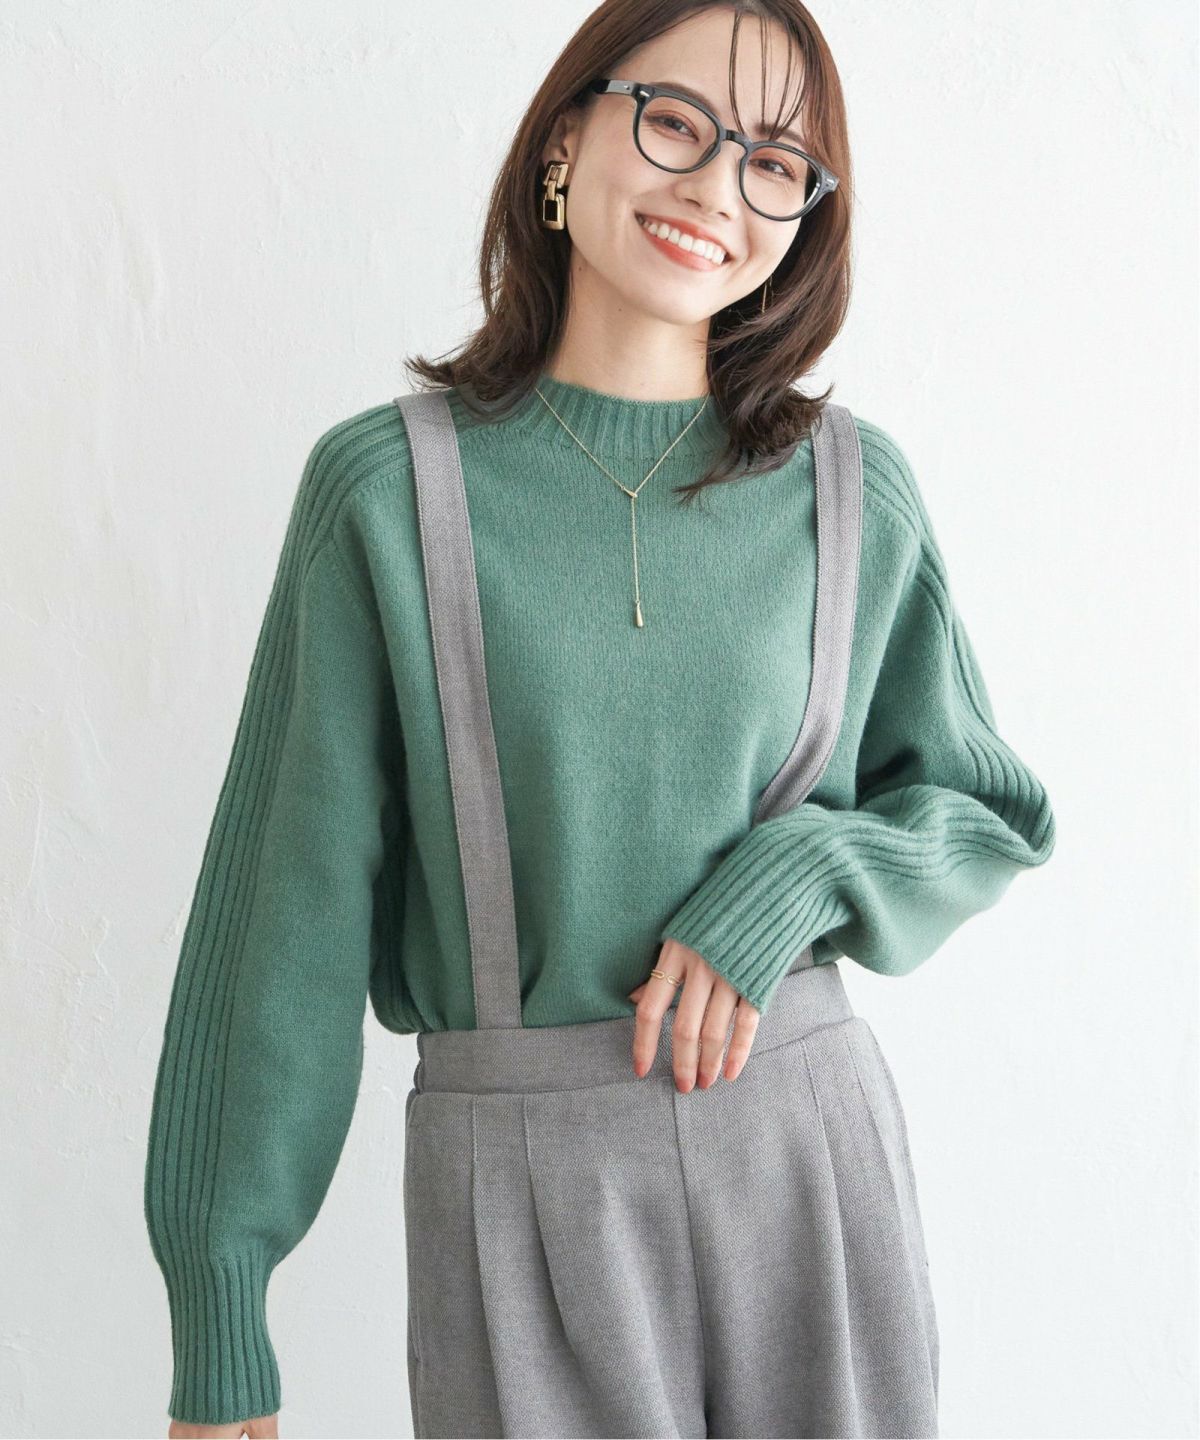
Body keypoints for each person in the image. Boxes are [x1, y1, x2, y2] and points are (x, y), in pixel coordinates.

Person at [144, 2, 1057, 1437]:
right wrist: (221, 1308)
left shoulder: (849, 488)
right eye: (677, 122)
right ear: (567, 134)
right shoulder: (386, 493)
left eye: (775, 162)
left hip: (806, 1173)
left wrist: (798, 873)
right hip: (519, 1182)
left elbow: (985, 807)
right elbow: (282, 916)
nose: (717, 188)